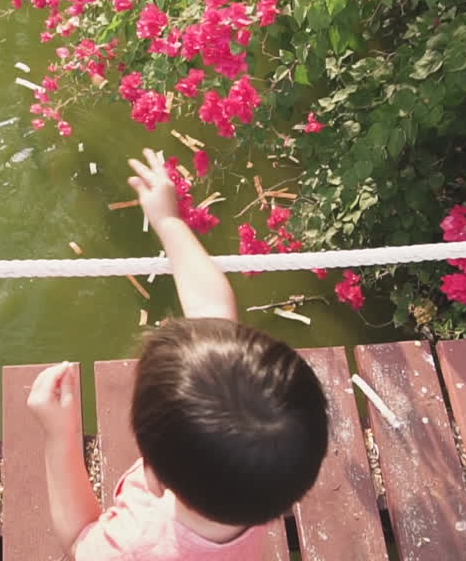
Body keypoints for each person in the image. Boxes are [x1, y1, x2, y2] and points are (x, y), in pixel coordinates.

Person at [27, 148, 330, 560]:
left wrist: (58, 436)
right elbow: (212, 310)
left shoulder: (136, 544)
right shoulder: (258, 479)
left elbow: (80, 538)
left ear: (151, 477)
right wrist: (169, 222)